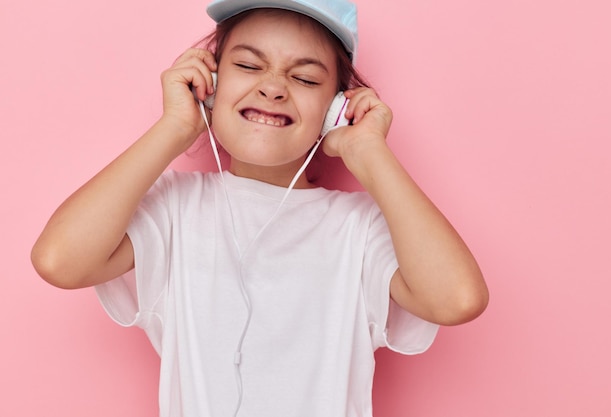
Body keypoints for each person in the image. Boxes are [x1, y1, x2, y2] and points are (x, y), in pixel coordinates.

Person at [31, 0, 489, 416]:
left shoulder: (359, 229)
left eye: (305, 78)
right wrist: (173, 128)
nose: (273, 87)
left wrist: (370, 153)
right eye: (250, 65)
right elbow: (59, 261)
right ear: (209, 85)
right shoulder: (174, 208)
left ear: (335, 109)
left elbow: (457, 299)